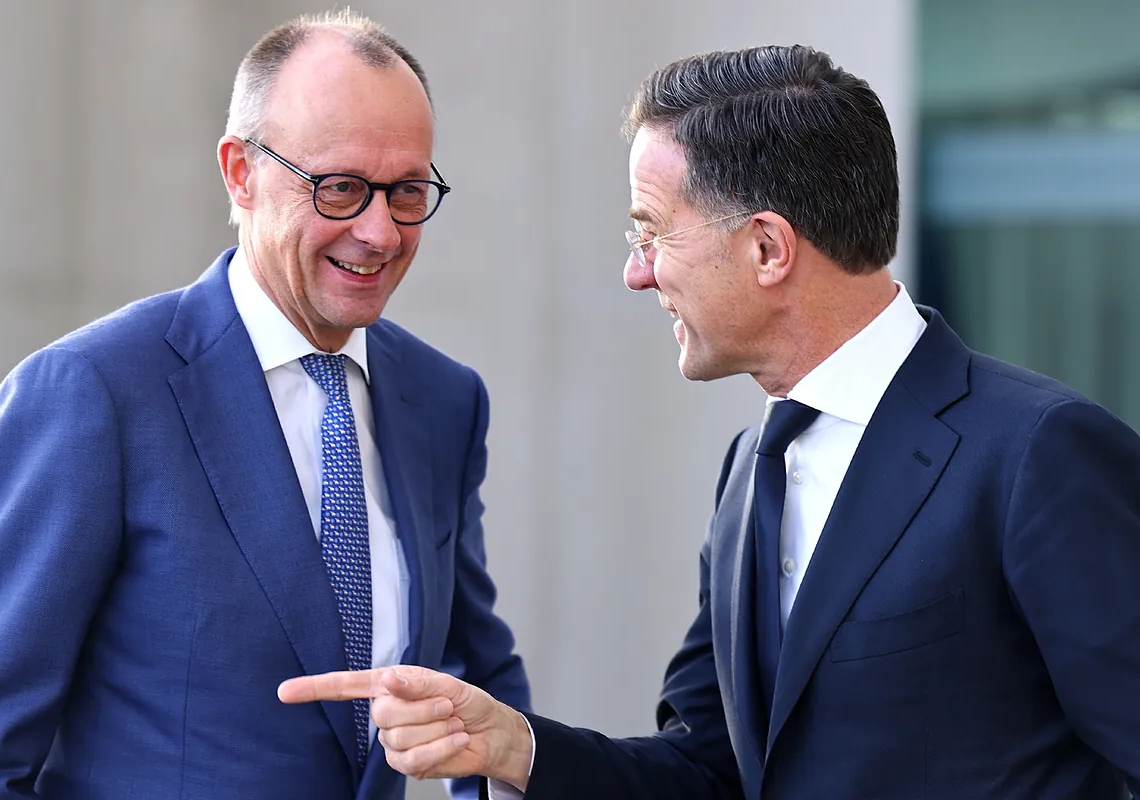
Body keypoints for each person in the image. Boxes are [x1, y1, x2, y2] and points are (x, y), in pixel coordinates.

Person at [278, 44, 1140, 799]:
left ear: (767, 248)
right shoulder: (750, 469)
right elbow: (706, 774)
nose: (637, 273)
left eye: (651, 232)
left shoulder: (1040, 454)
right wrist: (515, 747)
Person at [0, 10, 530, 800]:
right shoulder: (94, 394)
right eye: (341, 188)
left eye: (408, 191)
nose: (381, 232)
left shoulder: (442, 399)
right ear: (240, 172)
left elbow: (476, 689)